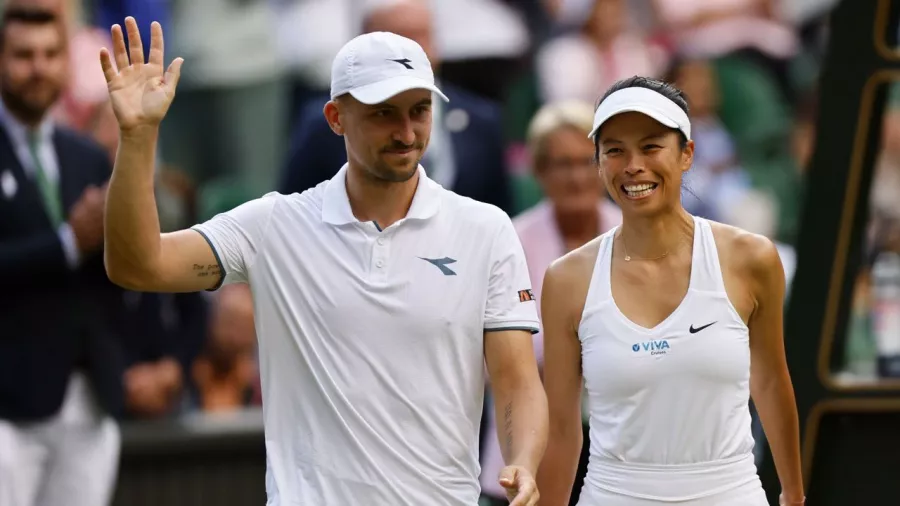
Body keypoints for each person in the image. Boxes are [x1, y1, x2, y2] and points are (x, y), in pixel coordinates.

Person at [99, 17, 548, 506]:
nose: (405, 131)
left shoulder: (486, 229)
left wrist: (521, 459)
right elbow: (137, 265)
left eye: (419, 110)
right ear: (336, 118)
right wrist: (138, 137)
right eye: (384, 113)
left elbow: (516, 380)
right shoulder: (273, 226)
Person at [536, 76, 805, 506]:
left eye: (650, 146)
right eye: (615, 150)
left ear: (687, 154)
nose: (633, 165)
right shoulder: (566, 279)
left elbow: (771, 381)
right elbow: (562, 428)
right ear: (600, 163)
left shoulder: (751, 258)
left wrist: (793, 493)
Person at [0, 7, 123, 506]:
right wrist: (67, 242)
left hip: (87, 398)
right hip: (8, 404)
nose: (38, 68)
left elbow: (114, 279)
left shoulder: (86, 156)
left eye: (51, 55)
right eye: (23, 55)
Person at [479, 100, 621, 506]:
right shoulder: (509, 241)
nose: (575, 176)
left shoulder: (636, 235)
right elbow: (494, 359)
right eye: (561, 163)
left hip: (621, 451)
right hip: (528, 452)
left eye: (584, 161)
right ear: (538, 171)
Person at [280, 0, 513, 215]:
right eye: (398, 37)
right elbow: (296, 214)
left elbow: (501, 210)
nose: (410, 50)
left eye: (421, 35)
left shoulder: (481, 120)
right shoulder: (321, 125)